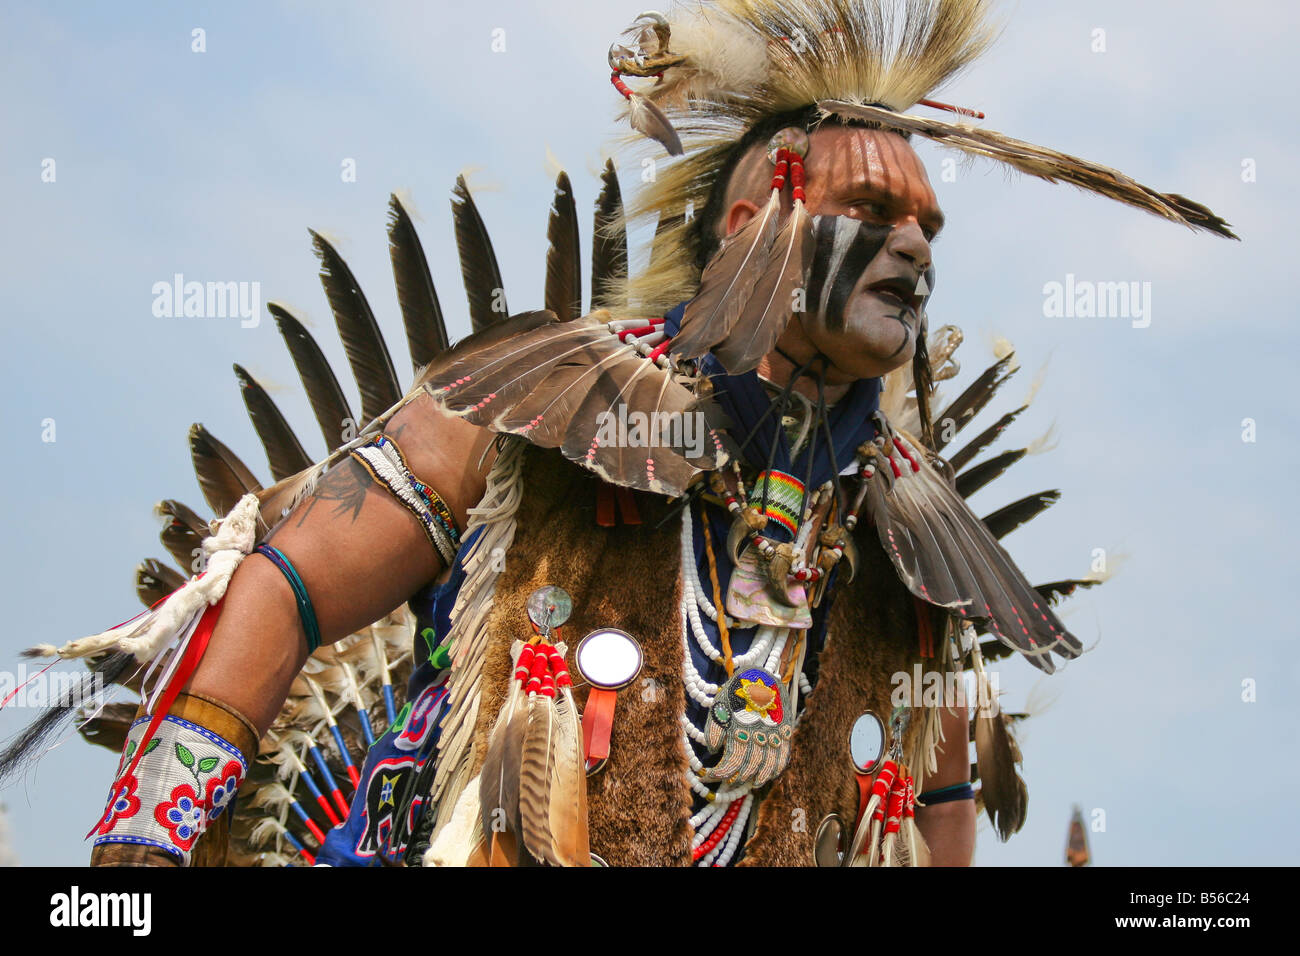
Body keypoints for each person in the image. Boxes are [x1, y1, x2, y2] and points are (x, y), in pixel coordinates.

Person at [5, 0, 1233, 868]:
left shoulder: (909, 536)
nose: (916, 245)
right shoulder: (538, 408)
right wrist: (135, 865)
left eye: (929, 225)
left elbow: (942, 785)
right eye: (873, 207)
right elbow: (283, 588)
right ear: (758, 215)